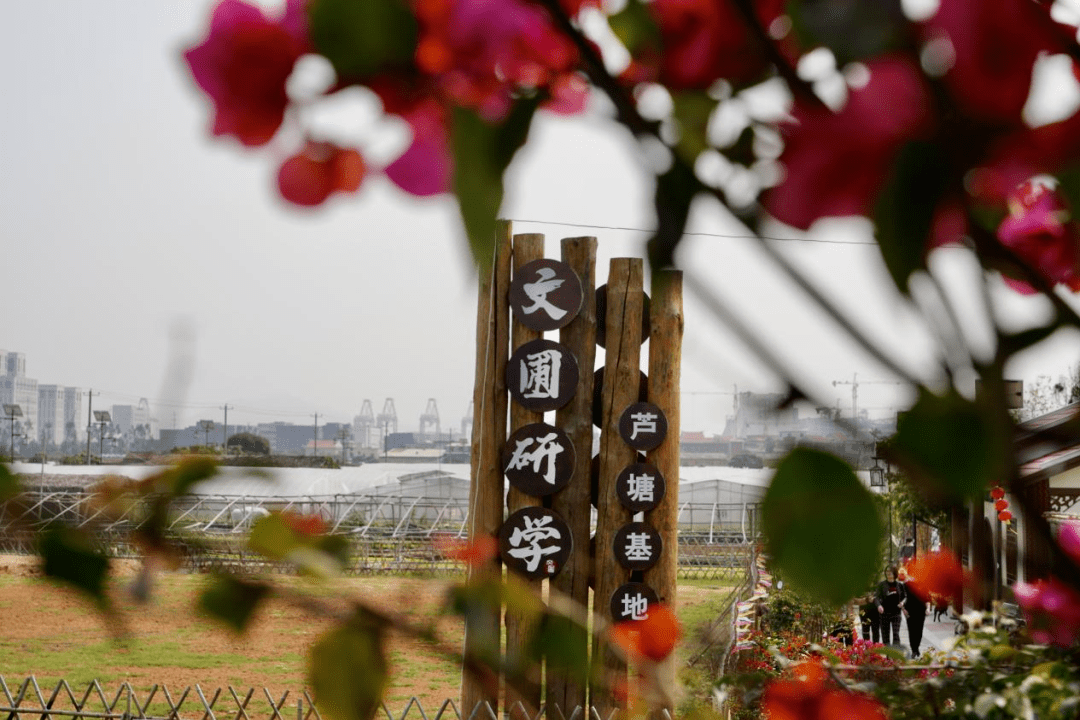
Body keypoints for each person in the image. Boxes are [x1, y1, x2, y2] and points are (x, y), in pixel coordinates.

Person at [875, 566, 906, 646]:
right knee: (885, 636)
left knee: (896, 634)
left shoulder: (900, 585)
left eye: (891, 571)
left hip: (896, 613)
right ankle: (888, 657)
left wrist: (902, 603)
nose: (889, 573)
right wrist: (879, 606)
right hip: (884, 613)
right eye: (887, 571)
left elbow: (905, 597)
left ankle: (895, 655)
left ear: (895, 573)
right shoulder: (882, 585)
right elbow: (877, 597)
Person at [903, 573, 929, 658]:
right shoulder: (906, 584)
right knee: (911, 630)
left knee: (919, 630)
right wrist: (903, 609)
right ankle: (914, 650)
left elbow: (927, 598)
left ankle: (916, 647)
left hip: (921, 610)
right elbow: (902, 597)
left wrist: (928, 608)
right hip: (909, 610)